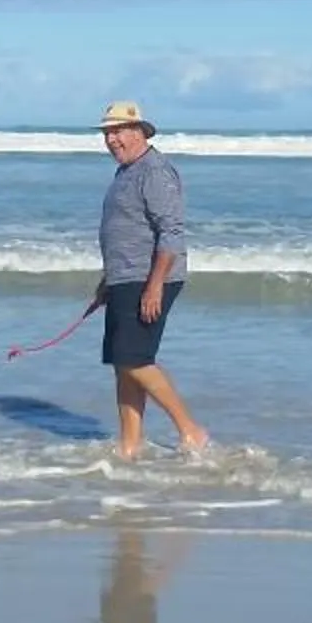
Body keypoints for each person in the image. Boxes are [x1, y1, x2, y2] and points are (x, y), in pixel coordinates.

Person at [85, 102, 208, 458]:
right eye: (108, 133)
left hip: (151, 277)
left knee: (135, 359)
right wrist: (109, 281)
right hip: (125, 278)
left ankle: (190, 430)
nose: (112, 140)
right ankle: (130, 444)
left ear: (140, 132)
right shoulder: (125, 172)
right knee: (122, 365)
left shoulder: (155, 171)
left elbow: (171, 233)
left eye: (119, 131)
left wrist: (154, 285)